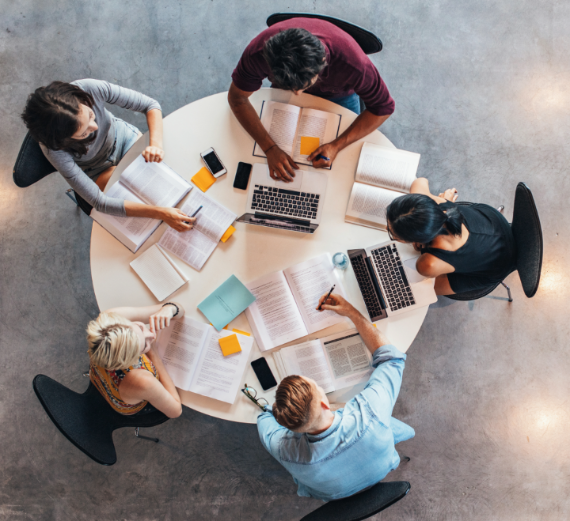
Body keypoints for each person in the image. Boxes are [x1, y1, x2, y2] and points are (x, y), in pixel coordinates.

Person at [256, 293, 414, 501]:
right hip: (383, 465)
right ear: (323, 402)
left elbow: (263, 419)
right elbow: (392, 359)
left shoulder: (283, 449)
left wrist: (273, 410)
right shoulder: (370, 413)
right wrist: (352, 312)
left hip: (333, 494)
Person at [228, 18, 395, 182]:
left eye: (303, 86)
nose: (298, 95)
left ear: (323, 62)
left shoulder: (354, 65)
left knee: (343, 165)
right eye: (292, 88)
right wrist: (269, 148)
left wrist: (336, 145)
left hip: (339, 94)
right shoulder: (258, 53)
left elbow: (383, 108)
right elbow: (237, 98)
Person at [20, 79, 194, 231]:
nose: (95, 127)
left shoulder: (89, 88)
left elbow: (150, 105)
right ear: (63, 141)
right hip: (95, 170)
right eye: (83, 133)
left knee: (168, 176)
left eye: (90, 115)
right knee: (142, 201)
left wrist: (155, 145)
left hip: (125, 140)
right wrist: (160, 213)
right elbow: (100, 202)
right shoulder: (54, 149)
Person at [385, 178, 517, 295]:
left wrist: (423, 246)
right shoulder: (437, 204)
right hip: (495, 223)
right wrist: (445, 201)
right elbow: (420, 181)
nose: (386, 229)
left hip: (498, 266)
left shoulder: (427, 264)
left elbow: (427, 265)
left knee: (422, 291)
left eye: (393, 235)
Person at [86, 302, 184, 418]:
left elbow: (179, 309)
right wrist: (153, 354)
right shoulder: (142, 380)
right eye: (144, 346)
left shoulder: (110, 319)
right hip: (129, 402)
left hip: (99, 375)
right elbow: (176, 411)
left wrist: (170, 309)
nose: (151, 335)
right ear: (131, 361)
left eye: (140, 327)